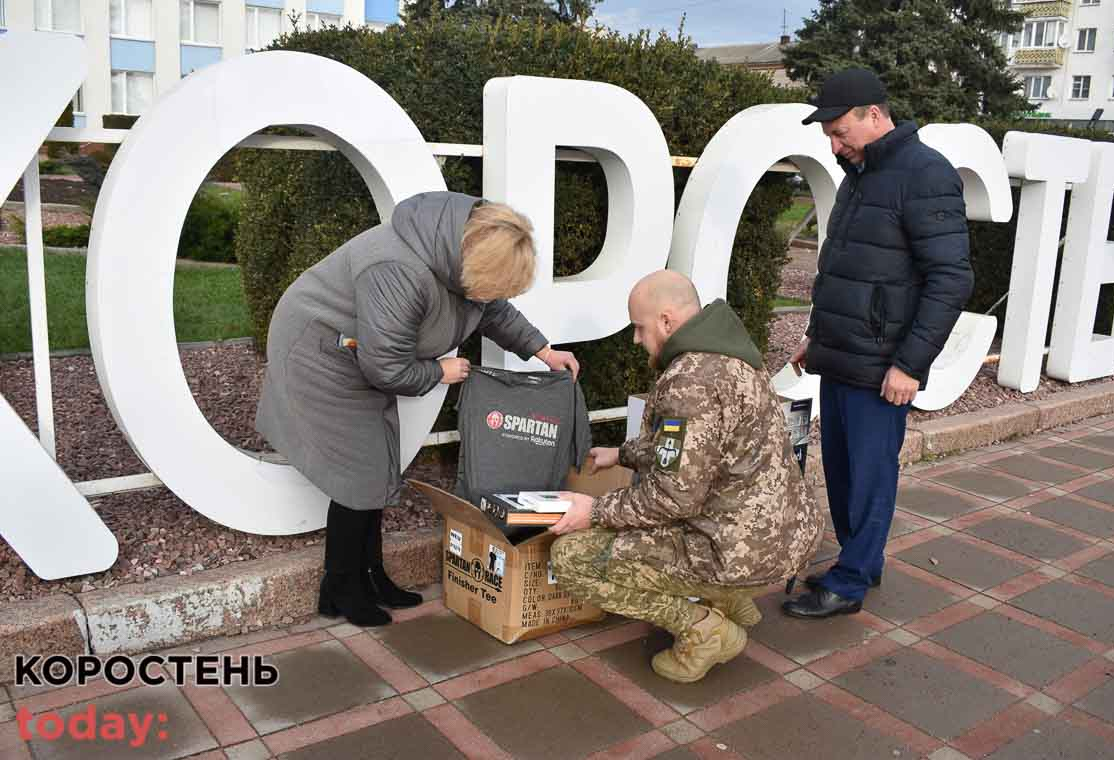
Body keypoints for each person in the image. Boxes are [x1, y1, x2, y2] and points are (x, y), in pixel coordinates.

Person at [256, 192, 579, 627]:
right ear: (473, 267)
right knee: (359, 474)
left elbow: (491, 308)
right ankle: (340, 588)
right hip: (319, 353)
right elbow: (386, 367)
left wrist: (542, 350)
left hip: (360, 352)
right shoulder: (397, 270)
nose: (494, 296)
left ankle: (369, 576)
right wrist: (438, 371)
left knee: (375, 468)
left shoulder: (459, 254)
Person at [549, 271, 822, 683]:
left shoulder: (689, 382)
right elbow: (702, 451)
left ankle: (704, 629)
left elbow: (671, 498)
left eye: (639, 328)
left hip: (735, 552)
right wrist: (622, 454)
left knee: (571, 559)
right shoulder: (731, 356)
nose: (636, 340)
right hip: (783, 537)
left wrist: (595, 511)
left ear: (665, 320)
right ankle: (732, 601)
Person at [784, 68, 973, 618]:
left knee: (869, 474)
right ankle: (859, 561)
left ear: (875, 114)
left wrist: (910, 364)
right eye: (829, 135)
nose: (834, 143)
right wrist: (815, 336)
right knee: (843, 470)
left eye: (840, 131)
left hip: (884, 364)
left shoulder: (925, 173)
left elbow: (950, 279)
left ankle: (849, 583)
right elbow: (846, 269)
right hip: (843, 354)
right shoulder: (860, 172)